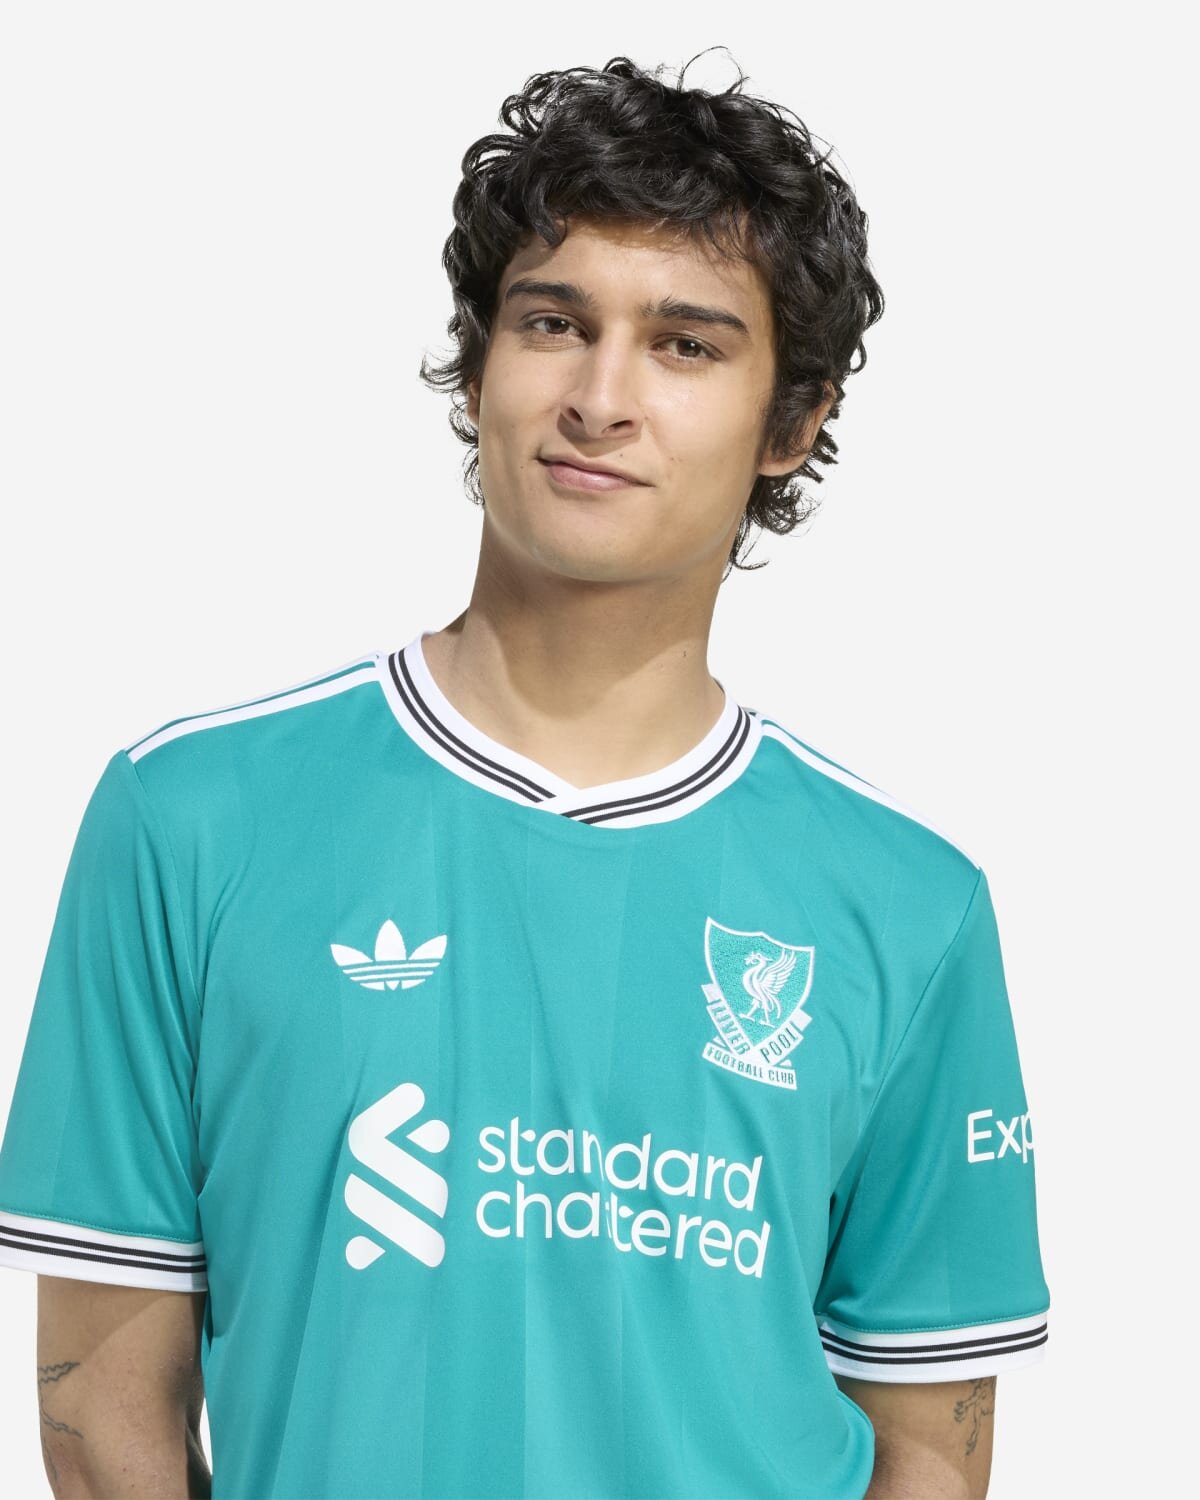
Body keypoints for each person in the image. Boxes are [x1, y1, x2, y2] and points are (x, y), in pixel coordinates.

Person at [0, 50, 1049, 1500]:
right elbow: (102, 1408)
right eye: (555, 323)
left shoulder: (910, 906)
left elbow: (931, 1444)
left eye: (686, 346)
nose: (600, 397)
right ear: (480, 360)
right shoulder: (190, 819)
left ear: (792, 423)